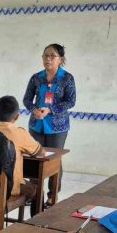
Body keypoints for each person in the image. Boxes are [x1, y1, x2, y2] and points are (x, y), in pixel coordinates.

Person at [23, 44, 76, 205]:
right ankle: (34, 194)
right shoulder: (36, 78)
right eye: (45, 55)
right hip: (36, 125)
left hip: (57, 127)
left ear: (61, 59)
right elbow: (27, 99)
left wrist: (50, 110)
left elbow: (70, 101)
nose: (48, 59)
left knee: (54, 161)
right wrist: (34, 110)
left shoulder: (67, 78)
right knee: (34, 158)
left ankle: (52, 195)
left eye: (52, 56)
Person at [0, 95, 43, 201]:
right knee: (37, 190)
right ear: (17, 117)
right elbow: (40, 152)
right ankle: (37, 213)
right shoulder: (19, 133)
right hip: (9, 187)